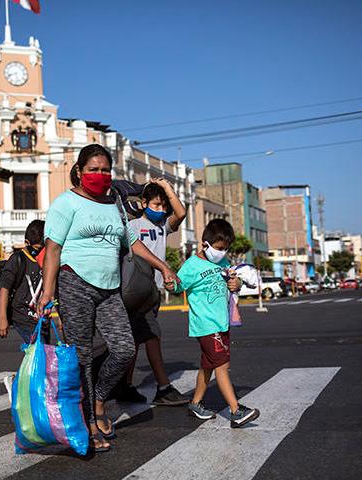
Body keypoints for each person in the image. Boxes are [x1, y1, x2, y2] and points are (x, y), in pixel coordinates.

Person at [37, 144, 178, 453]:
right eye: (93, 170)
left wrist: (164, 266)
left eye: (105, 170)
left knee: (125, 349)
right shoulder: (65, 203)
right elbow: (53, 250)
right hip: (74, 283)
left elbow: (132, 241)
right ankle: (87, 422)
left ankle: (99, 401)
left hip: (110, 287)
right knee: (83, 356)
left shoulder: (114, 201)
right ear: (79, 171)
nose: (100, 175)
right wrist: (48, 293)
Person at [166, 218, 260, 428]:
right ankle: (236, 411)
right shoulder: (192, 265)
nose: (222, 253)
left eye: (226, 249)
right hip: (206, 325)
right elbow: (177, 287)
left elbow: (232, 285)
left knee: (208, 365)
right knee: (222, 366)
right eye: (219, 248)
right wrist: (170, 283)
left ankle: (196, 403)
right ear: (205, 244)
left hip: (222, 323)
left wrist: (237, 283)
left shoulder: (224, 263)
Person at [121, 179, 188, 405]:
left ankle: (126, 386)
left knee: (136, 340)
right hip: (138, 290)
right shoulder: (134, 226)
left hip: (153, 291)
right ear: (143, 203)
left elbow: (180, 213)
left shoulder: (162, 227)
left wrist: (168, 189)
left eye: (162, 206)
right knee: (152, 336)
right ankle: (163, 387)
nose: (160, 210)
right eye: (155, 205)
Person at [0, 220, 46, 344]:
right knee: (39, 353)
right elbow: (4, 288)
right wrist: (2, 318)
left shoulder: (47, 260)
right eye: (37, 249)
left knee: (41, 356)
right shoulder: (18, 259)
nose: (39, 252)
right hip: (22, 317)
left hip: (41, 320)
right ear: (27, 243)